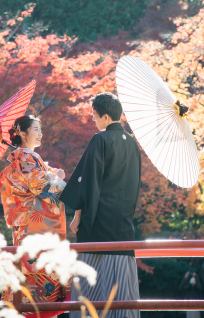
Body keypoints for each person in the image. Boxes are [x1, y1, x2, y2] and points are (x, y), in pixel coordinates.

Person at [59, 92, 142, 318]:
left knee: (91, 291)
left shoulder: (101, 140)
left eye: (95, 116)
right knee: (121, 294)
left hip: (99, 223)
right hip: (124, 225)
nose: (94, 121)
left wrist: (79, 218)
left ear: (105, 116)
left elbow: (88, 183)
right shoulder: (133, 143)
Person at [0, 115, 67, 304]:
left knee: (25, 287)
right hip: (37, 232)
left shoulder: (17, 161)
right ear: (21, 133)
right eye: (36, 129)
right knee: (42, 291)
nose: (40, 134)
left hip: (23, 230)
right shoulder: (27, 157)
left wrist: (49, 173)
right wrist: (58, 178)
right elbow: (43, 188)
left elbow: (32, 183)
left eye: (40, 130)